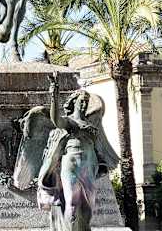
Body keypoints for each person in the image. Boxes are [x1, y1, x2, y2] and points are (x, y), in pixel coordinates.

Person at [36, 81, 118, 231]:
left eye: (86, 102)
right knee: (72, 203)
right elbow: (56, 119)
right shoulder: (69, 122)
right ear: (73, 103)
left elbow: (99, 148)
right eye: (81, 101)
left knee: (87, 206)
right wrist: (54, 95)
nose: (84, 105)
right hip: (71, 164)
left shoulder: (91, 126)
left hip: (89, 165)